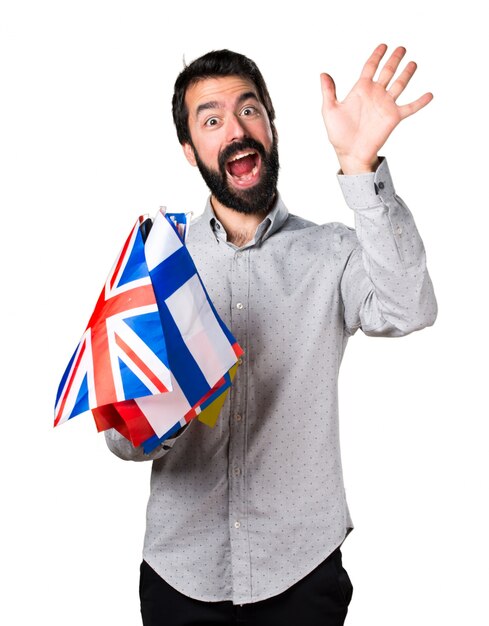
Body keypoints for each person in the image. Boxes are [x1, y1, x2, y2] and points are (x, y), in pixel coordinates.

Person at [105, 44, 437, 625]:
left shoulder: (330, 252)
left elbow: (409, 306)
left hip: (301, 572)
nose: (235, 129)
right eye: (211, 119)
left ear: (272, 125)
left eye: (249, 110)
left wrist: (360, 167)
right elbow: (123, 441)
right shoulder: (159, 263)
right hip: (180, 575)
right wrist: (166, 408)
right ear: (190, 150)